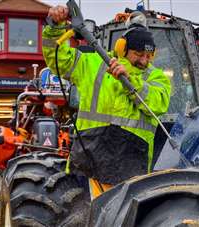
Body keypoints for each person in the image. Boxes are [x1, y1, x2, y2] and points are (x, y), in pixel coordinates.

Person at [42, 5, 171, 198]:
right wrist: (54, 28)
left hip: (131, 167)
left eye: (148, 56)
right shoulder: (91, 63)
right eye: (138, 54)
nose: (144, 61)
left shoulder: (156, 77)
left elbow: (158, 103)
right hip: (88, 161)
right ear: (121, 48)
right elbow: (59, 60)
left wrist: (131, 81)